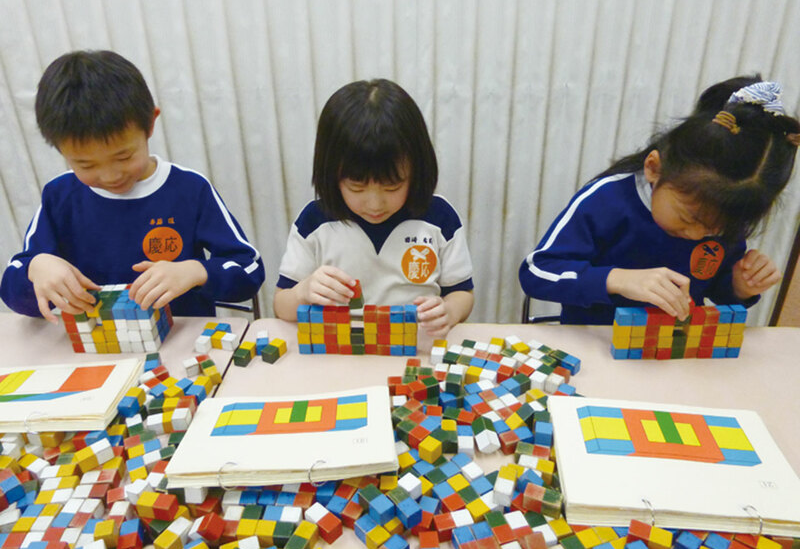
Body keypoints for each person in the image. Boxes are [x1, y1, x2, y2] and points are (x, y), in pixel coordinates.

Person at [0, 50, 264, 322]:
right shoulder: (60, 195)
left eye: (124, 156)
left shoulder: (189, 189)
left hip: (180, 343)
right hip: (94, 346)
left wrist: (197, 272)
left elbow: (249, 271)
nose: (110, 175)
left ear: (150, 124)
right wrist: (36, 268)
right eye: (86, 165)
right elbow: (11, 291)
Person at [519, 76, 800, 325]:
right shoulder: (607, 200)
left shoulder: (723, 214)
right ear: (654, 168)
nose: (698, 235)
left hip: (674, 352)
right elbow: (537, 273)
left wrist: (739, 287)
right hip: (598, 345)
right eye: (690, 218)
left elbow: (713, 284)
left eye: (715, 230)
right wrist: (616, 279)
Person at [273, 79, 474, 336]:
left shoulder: (439, 218)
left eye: (392, 187)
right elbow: (281, 305)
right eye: (356, 188)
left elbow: (462, 293)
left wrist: (450, 310)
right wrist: (302, 292)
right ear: (331, 174)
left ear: (417, 171)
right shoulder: (314, 222)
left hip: (416, 345)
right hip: (340, 349)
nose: (375, 204)